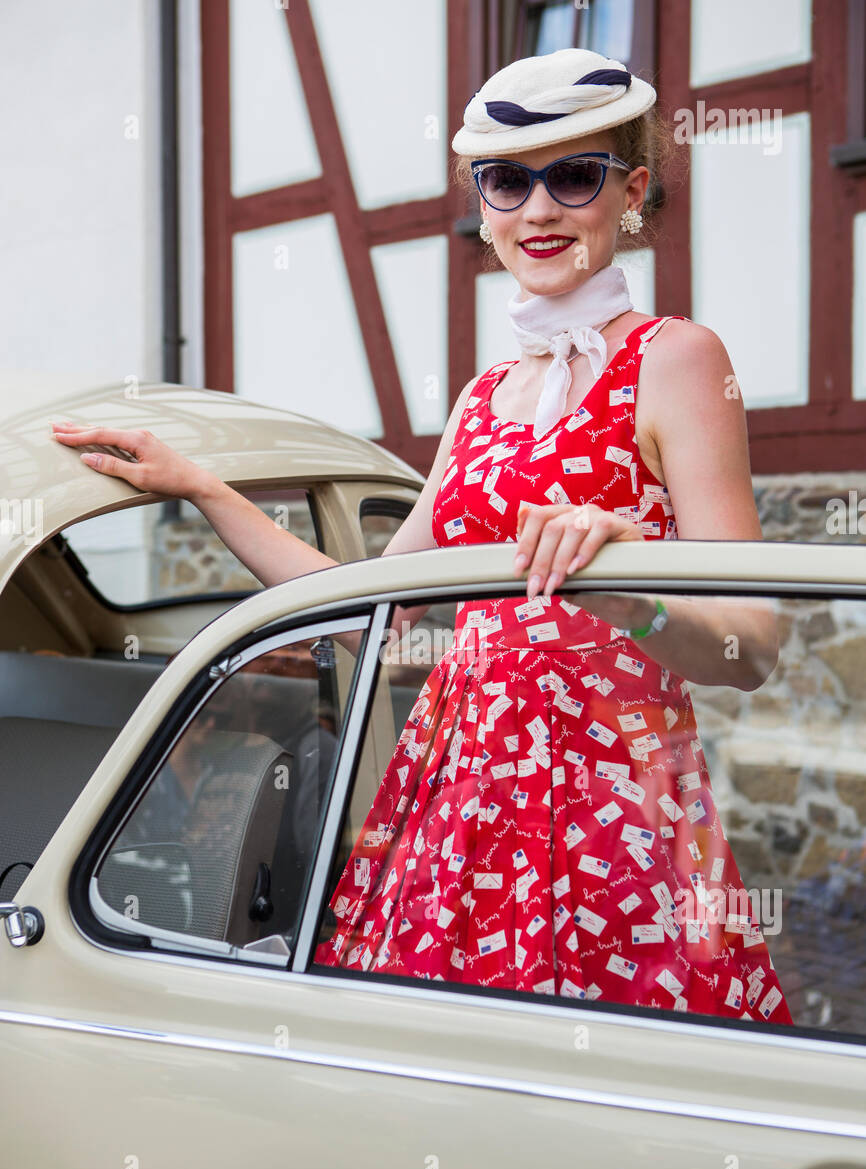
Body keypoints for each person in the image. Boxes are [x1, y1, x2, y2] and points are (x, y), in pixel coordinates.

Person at [50, 47, 791, 1025]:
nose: (537, 209)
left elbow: (751, 643)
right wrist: (198, 485)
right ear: (480, 203)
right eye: (505, 180)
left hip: (609, 808)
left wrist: (625, 596)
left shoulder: (677, 359)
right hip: (457, 811)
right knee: (433, 1084)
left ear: (631, 192)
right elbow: (368, 612)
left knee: (604, 1102)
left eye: (574, 175)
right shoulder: (484, 397)